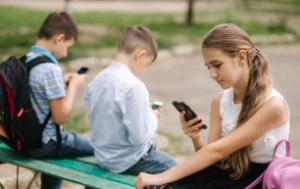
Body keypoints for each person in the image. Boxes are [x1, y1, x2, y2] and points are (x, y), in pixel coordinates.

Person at [135, 23, 290, 189]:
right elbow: (213, 156)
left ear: (242, 58)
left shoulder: (273, 106)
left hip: (261, 181)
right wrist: (195, 137)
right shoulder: (219, 101)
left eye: (217, 65)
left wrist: (159, 177)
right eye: (208, 67)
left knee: (163, 183)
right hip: (228, 175)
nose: (212, 74)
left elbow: (218, 151)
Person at [84, 25, 176, 175]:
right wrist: (153, 117)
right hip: (129, 161)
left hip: (103, 158)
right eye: (146, 64)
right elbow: (139, 139)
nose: (144, 69)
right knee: (180, 172)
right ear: (140, 55)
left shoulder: (97, 80)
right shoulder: (134, 86)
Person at [24, 12, 94, 189]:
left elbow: (36, 94)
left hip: (24, 139)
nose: (66, 52)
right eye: (68, 46)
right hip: (46, 143)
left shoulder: (26, 60)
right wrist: (73, 87)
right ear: (60, 39)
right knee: (100, 149)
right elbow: (61, 117)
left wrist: (61, 83)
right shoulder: (50, 68)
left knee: (59, 151)